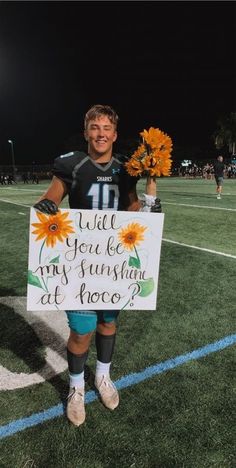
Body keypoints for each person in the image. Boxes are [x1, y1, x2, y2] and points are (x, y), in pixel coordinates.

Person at [33, 104, 161, 427]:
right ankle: (76, 388)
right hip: (80, 262)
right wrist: (46, 205)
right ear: (86, 131)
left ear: (115, 135)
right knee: (81, 331)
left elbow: (132, 206)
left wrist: (148, 212)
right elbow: (52, 196)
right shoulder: (72, 165)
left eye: (107, 128)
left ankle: (102, 376)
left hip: (112, 260)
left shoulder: (124, 168)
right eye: (95, 128)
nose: (101, 134)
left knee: (108, 324)